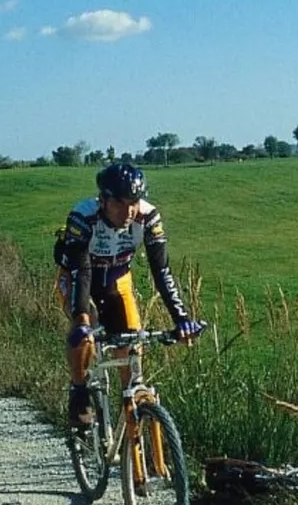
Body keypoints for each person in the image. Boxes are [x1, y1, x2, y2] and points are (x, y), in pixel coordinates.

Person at [54, 162, 201, 427]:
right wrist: (82, 319)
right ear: (103, 200)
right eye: (120, 203)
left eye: (134, 202)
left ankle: (133, 428)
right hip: (78, 279)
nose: (128, 211)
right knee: (85, 332)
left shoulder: (148, 216)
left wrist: (181, 318)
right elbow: (81, 272)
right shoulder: (83, 216)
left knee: (133, 345)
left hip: (117, 280)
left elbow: (161, 271)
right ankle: (78, 391)